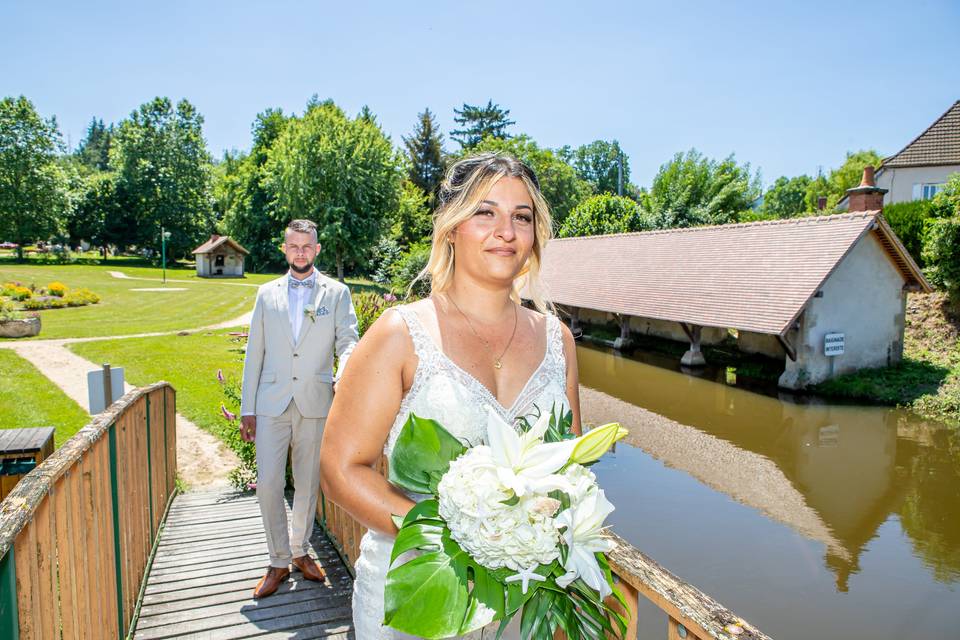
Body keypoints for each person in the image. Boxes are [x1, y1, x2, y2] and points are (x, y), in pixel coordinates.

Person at [320, 154, 582, 638]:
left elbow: (571, 467)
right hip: (419, 594)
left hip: (522, 604)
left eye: (521, 217)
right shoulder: (400, 334)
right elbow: (340, 470)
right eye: (485, 212)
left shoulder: (557, 341)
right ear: (450, 228)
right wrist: (458, 537)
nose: (506, 230)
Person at [240, 218, 359, 599]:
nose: (301, 252)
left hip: (315, 402)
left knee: (307, 485)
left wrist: (345, 371)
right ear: (285, 248)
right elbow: (253, 353)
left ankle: (299, 552)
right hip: (271, 403)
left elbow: (349, 342)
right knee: (270, 486)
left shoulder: (337, 294)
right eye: (294, 246)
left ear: (317, 249)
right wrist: (247, 408)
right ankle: (276, 559)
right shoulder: (266, 294)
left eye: (307, 246)